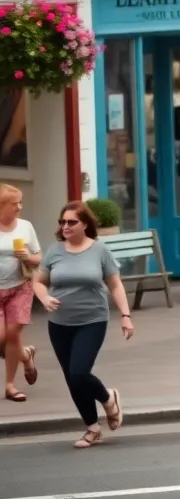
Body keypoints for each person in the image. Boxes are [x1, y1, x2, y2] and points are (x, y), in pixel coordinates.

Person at [33, 202, 134, 448]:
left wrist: (125, 315)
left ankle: (108, 398)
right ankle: (92, 427)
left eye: (71, 222)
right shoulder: (55, 250)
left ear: (85, 224)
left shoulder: (99, 250)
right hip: (59, 323)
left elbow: (115, 284)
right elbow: (38, 282)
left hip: (92, 320)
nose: (65, 226)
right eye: (62, 222)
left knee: (79, 372)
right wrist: (44, 298)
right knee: (71, 377)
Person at [0, 184, 41, 402]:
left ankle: (10, 386)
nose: (19, 207)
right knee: (2, 337)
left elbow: (38, 258)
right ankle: (26, 356)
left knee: (12, 334)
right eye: (14, 204)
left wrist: (27, 256)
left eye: (20, 203)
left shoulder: (25, 227)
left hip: (20, 288)